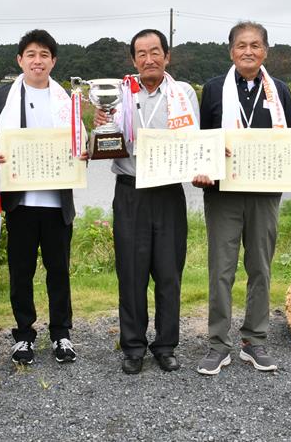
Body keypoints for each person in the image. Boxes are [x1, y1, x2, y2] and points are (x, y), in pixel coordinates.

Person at [192, 21, 291, 375]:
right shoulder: (214, 89)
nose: (248, 51)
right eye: (241, 45)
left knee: (260, 268)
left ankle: (255, 341)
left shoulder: (279, 90)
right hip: (222, 195)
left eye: (255, 45)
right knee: (221, 269)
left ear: (265, 50)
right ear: (230, 51)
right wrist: (201, 169)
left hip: (265, 194)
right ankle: (218, 344)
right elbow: (202, 142)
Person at [93, 29, 200, 374]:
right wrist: (100, 125)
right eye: (141, 53)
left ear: (167, 57)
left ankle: (166, 345)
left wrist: (203, 165)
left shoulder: (182, 93)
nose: (149, 59)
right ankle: (133, 346)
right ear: (133, 59)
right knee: (131, 273)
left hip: (168, 190)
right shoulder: (119, 93)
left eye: (155, 52)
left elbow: (195, 141)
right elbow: (104, 143)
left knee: (169, 272)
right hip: (130, 189)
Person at [0, 29, 86, 365]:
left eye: (44, 54)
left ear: (53, 61)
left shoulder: (68, 99)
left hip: (58, 204)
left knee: (59, 271)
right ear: (20, 60)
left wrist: (82, 154)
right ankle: (24, 335)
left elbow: (79, 143)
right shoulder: (2, 97)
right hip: (20, 203)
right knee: (21, 271)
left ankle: (61, 334)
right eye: (31, 54)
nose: (37, 60)